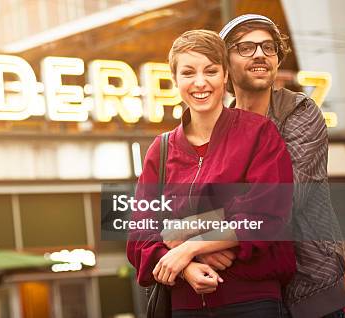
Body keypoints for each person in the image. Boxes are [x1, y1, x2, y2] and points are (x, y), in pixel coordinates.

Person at [126, 29, 296, 317]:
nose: (200, 82)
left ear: (226, 75)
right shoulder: (161, 149)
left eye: (211, 71)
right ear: (175, 80)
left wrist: (186, 242)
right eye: (188, 72)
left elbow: (267, 216)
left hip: (253, 302)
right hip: (184, 305)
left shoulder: (259, 133)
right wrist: (185, 266)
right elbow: (140, 234)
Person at [220, 14, 345, 318]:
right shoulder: (217, 128)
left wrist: (199, 235)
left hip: (310, 293)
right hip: (249, 295)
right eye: (245, 48)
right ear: (224, 63)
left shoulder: (301, 112)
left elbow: (281, 204)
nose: (260, 54)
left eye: (268, 47)